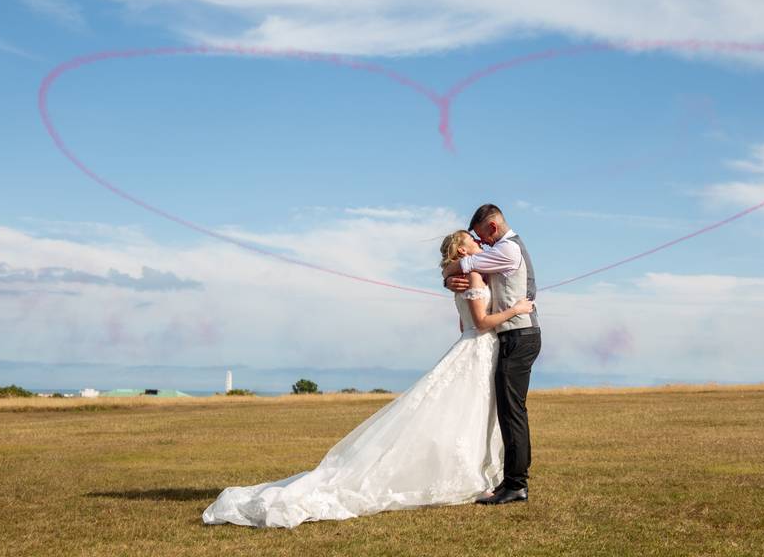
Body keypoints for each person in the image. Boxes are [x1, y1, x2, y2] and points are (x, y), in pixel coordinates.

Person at [202, 230, 533, 528]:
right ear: (463, 251)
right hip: (480, 347)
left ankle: (479, 474)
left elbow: (464, 324)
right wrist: (515, 310)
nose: (479, 245)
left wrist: (450, 277)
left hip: (473, 350)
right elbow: (479, 323)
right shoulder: (473, 276)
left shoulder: (466, 276)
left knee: (467, 415)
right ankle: (475, 475)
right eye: (472, 242)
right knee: (468, 414)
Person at [442, 203, 541, 506]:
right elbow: (464, 274)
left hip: (519, 335)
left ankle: (516, 484)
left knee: (512, 413)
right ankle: (508, 482)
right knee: (507, 412)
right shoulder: (499, 253)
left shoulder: (508, 250)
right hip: (508, 336)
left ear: (493, 228)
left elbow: (463, 265)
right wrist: (450, 281)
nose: (482, 242)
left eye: (483, 236)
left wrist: (450, 272)